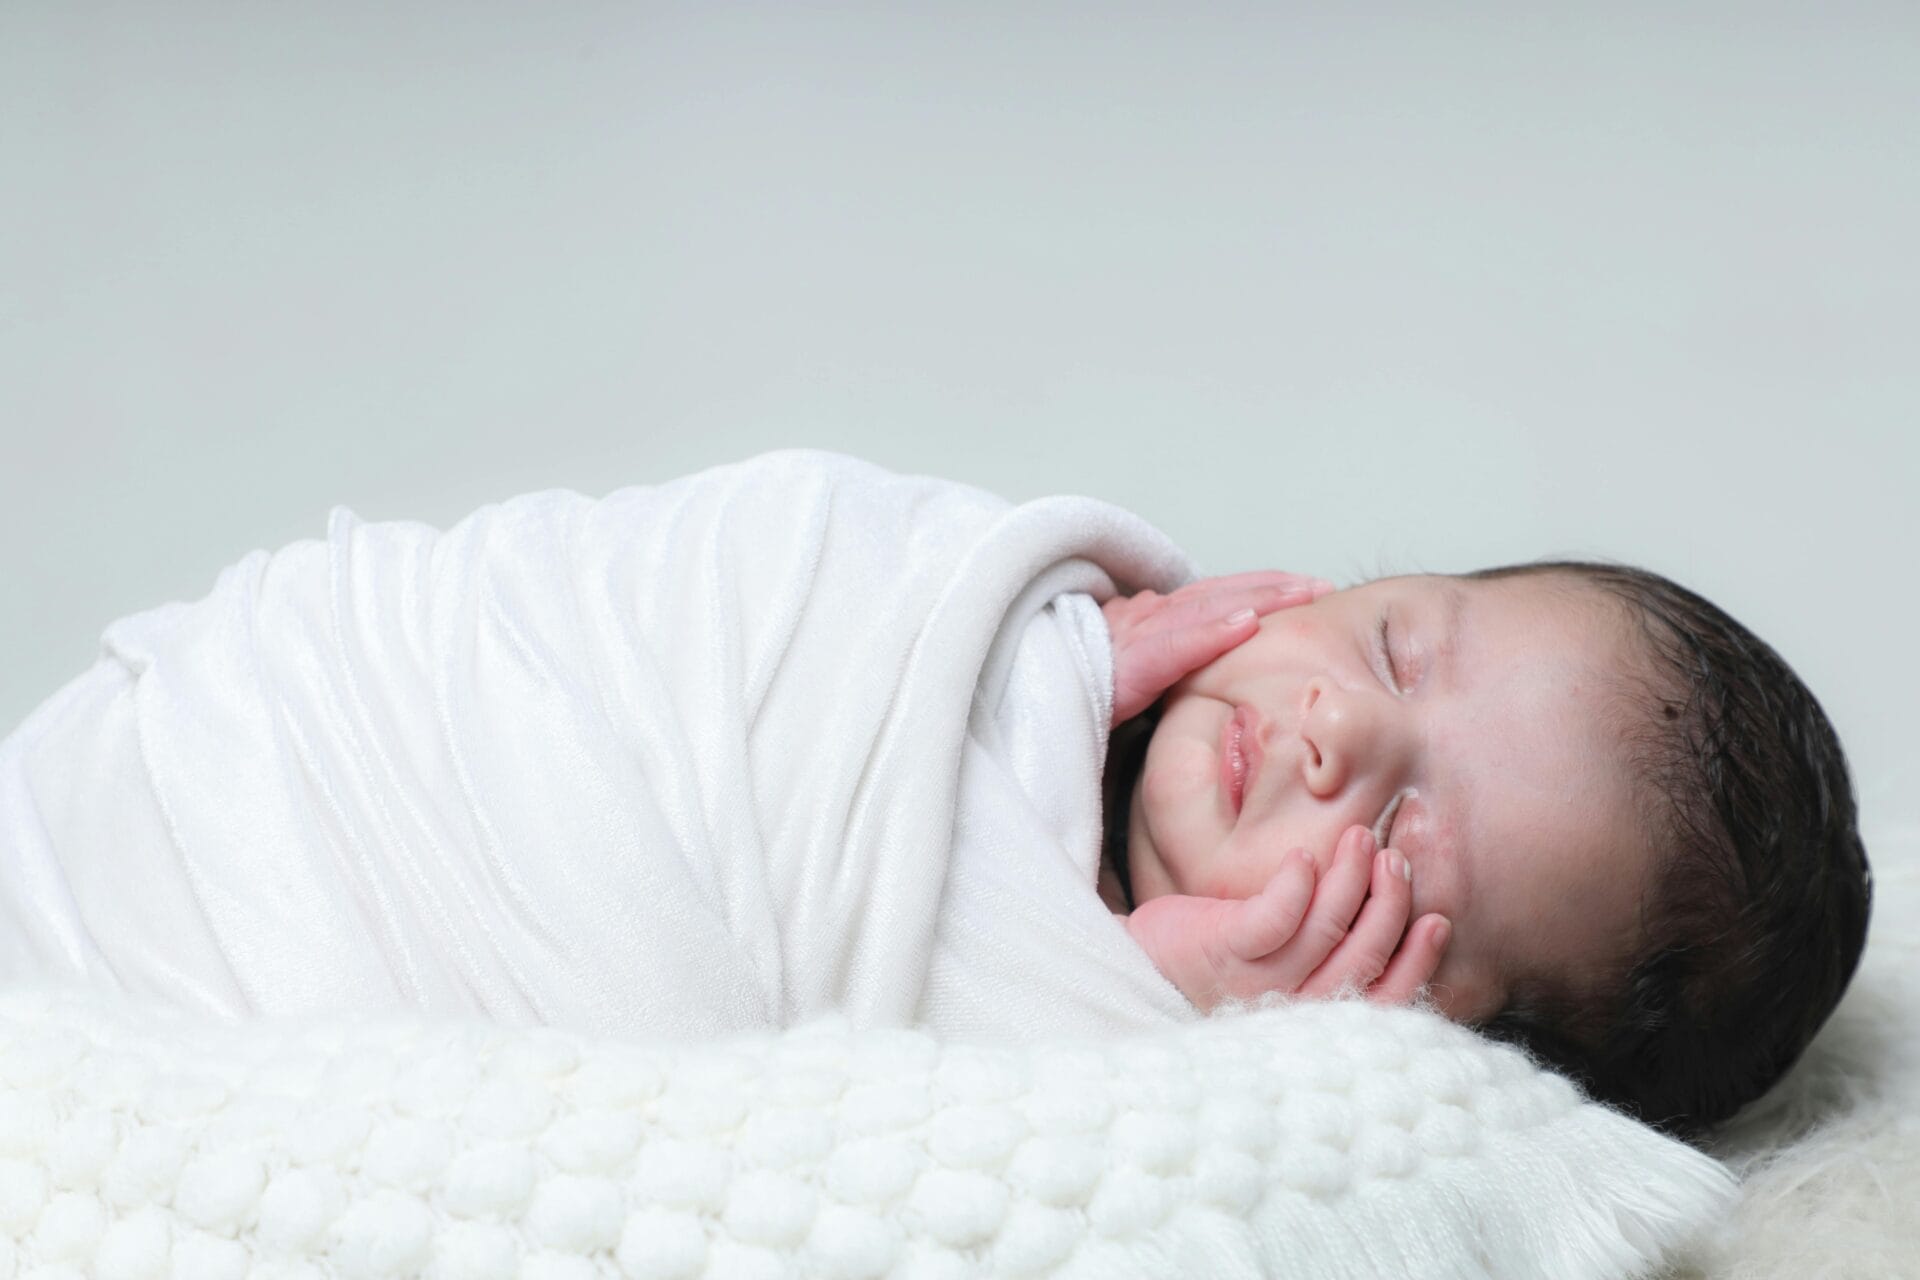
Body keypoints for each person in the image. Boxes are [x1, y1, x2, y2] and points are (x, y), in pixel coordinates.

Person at [1093, 565, 1873, 1139]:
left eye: (1395, 841)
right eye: (1392, 650)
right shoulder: (1070, 603)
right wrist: (1063, 668)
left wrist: (1136, 986)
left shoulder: (1151, 1095)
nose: (1337, 727)